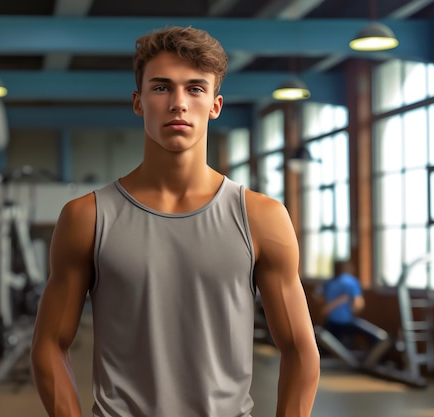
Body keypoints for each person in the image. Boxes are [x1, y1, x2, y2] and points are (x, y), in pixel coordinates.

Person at [30, 26, 320, 417]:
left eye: (195, 88)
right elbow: (48, 344)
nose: (178, 103)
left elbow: (300, 349)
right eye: (162, 87)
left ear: (216, 105)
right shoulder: (87, 217)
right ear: (139, 102)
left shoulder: (261, 218)